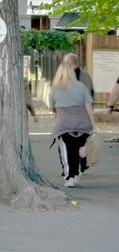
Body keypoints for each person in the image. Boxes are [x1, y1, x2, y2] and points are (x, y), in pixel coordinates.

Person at [49, 53, 96, 187]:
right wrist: (92, 123)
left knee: (67, 151)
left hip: (64, 124)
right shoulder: (81, 86)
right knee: (79, 147)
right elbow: (88, 106)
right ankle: (79, 167)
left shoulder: (54, 89)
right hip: (82, 123)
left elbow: (53, 108)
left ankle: (70, 176)